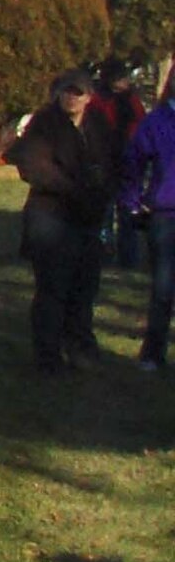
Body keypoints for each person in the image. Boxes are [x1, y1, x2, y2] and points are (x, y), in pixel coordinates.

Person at [6, 68, 113, 373]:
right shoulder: (44, 123)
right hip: (50, 215)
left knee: (84, 287)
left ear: (89, 97)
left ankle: (80, 347)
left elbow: (112, 162)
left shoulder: (98, 126)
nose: (71, 97)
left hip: (88, 217)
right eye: (67, 91)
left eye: (78, 92)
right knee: (52, 288)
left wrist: (102, 189)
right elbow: (32, 165)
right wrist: (73, 187)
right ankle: (48, 354)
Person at [118, 67, 175, 369]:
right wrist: (133, 202)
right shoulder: (156, 122)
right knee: (163, 289)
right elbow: (133, 163)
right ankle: (153, 353)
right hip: (165, 215)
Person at [91, 59, 146, 268]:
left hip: (128, 161)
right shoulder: (99, 100)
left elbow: (141, 128)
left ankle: (127, 256)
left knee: (126, 211)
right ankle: (104, 252)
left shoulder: (131, 102)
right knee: (104, 211)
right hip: (105, 159)